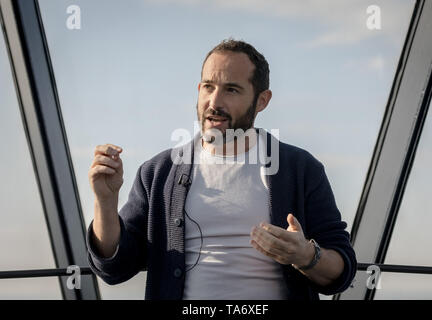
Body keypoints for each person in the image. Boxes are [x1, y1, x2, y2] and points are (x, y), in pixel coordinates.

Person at [87, 39, 357, 300]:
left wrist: (306, 256)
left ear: (262, 100)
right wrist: (105, 203)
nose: (214, 102)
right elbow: (115, 267)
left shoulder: (300, 169)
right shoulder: (159, 172)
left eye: (231, 89)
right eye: (208, 87)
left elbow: (341, 272)